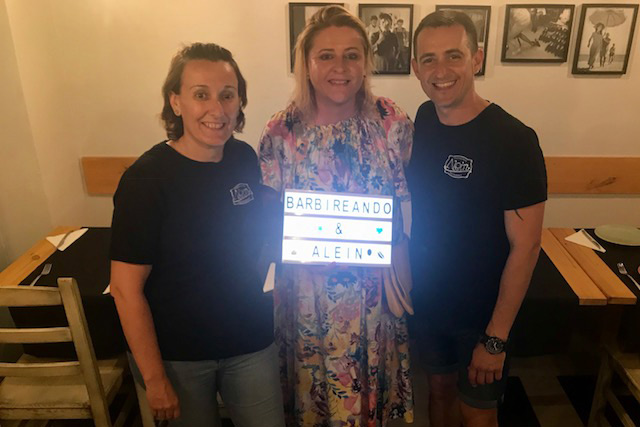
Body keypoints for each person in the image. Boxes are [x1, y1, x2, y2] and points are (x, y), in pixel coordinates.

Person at [109, 43, 285, 427]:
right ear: (176, 102)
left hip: (249, 341)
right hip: (178, 356)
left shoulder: (244, 158)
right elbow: (124, 289)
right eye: (201, 95)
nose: (217, 109)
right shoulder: (146, 180)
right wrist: (154, 379)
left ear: (240, 101)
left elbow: (252, 238)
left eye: (228, 95)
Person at [259, 5, 413, 426]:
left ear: (366, 62)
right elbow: (269, 217)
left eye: (351, 55)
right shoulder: (281, 131)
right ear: (306, 64)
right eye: (325, 55)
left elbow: (401, 197)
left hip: (373, 294)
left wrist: (397, 250)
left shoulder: (391, 122)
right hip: (305, 296)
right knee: (312, 402)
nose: (340, 67)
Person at [408, 11, 547, 427]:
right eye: (429, 59)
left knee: (478, 413)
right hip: (430, 301)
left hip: (483, 314)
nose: (441, 71)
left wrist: (495, 338)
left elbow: (527, 247)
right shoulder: (423, 119)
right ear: (415, 67)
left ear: (477, 59)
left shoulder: (515, 140)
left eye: (454, 55)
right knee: (438, 392)